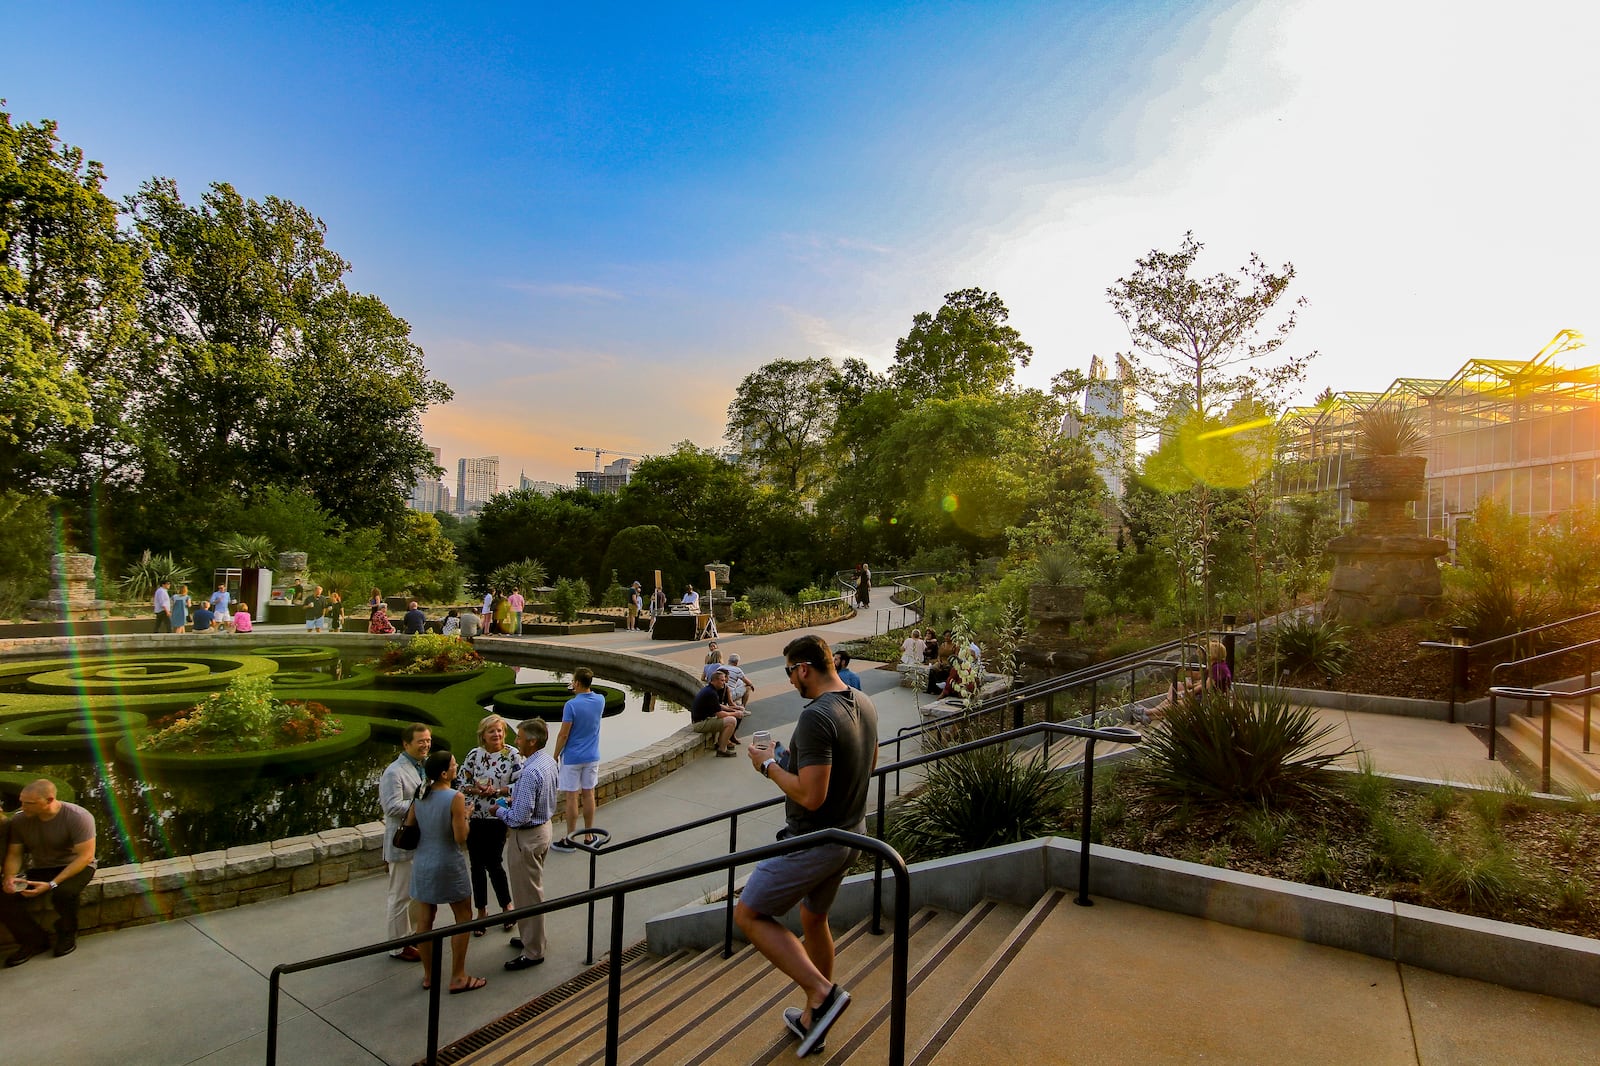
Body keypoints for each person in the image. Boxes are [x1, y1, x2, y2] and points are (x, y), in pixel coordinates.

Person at [736, 634, 878, 1056]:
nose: (790, 680)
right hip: (851, 832)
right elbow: (866, 764)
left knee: (749, 913)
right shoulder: (861, 702)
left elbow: (811, 796)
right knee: (813, 919)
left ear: (803, 669)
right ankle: (815, 1020)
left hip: (814, 841)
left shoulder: (816, 716)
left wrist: (767, 767)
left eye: (789, 672)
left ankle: (823, 992)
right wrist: (788, 759)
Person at [403, 750, 485, 994]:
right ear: (444, 773)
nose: (456, 765)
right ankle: (458, 976)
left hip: (423, 863)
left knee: (425, 920)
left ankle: (429, 975)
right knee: (463, 916)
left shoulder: (420, 794)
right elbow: (460, 837)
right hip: (448, 862)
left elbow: (410, 825)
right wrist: (466, 817)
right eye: (453, 764)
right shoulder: (455, 797)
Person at [1, 779, 97, 966]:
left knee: (64, 893)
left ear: (49, 800)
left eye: (28, 803)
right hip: (42, 868)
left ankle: (67, 933)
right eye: (21, 801)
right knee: (3, 897)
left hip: (77, 866)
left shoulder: (78, 817)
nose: (21, 807)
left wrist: (52, 884)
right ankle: (34, 941)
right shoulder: (21, 820)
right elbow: (14, 854)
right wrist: (10, 877)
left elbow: (85, 856)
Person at [497, 718, 558, 971]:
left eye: (519, 737)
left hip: (527, 837)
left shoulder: (531, 771)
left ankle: (533, 952)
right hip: (543, 831)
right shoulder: (547, 761)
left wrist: (497, 811)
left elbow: (518, 817)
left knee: (528, 895)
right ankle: (531, 937)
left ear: (532, 741)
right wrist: (505, 791)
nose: (515, 741)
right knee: (530, 891)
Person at [459, 714, 522, 935]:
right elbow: (462, 783)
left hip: (498, 816)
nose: (496, 734)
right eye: (492, 731)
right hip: (475, 817)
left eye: (499, 731)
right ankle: (481, 912)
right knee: (476, 864)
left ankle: (507, 907)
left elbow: (519, 784)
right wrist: (477, 790)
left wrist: (496, 791)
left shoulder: (512, 755)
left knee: (494, 862)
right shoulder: (474, 755)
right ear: (483, 735)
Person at [379, 723, 431, 961]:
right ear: (406, 744)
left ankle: (409, 936)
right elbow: (391, 807)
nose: (425, 745)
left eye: (428, 740)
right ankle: (397, 946)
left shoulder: (423, 766)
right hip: (402, 842)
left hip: (419, 841)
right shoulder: (393, 772)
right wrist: (425, 806)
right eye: (421, 741)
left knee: (414, 894)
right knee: (399, 896)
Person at [551, 668, 604, 852]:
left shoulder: (571, 705)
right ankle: (589, 836)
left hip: (572, 758)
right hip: (592, 756)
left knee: (571, 797)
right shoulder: (600, 700)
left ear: (578, 683)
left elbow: (563, 734)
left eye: (574, 681)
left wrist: (555, 755)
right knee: (589, 794)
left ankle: (569, 839)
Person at [691, 668, 746, 756]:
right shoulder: (711, 693)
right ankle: (722, 749)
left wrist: (731, 709)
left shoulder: (710, 690)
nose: (724, 683)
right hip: (700, 724)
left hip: (703, 720)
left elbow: (718, 706)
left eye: (724, 680)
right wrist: (735, 713)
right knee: (732, 721)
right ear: (714, 681)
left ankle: (721, 743)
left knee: (729, 717)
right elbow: (720, 714)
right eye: (722, 680)